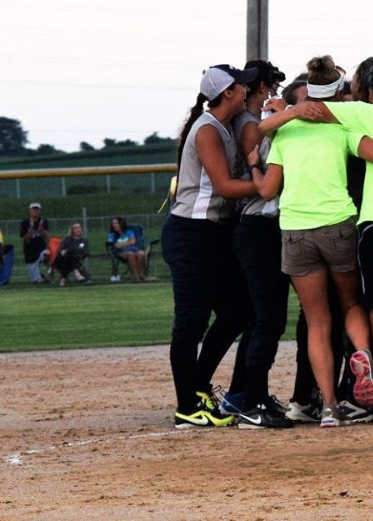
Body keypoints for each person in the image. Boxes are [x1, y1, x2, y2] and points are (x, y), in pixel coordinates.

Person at [255, 57, 373, 427]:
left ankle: (327, 406)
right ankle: (362, 353)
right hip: (339, 224)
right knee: (350, 303)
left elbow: (267, 185)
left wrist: (285, 118)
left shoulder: (285, 132)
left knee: (316, 322)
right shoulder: (343, 125)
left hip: (295, 227)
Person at [162, 63, 258, 429]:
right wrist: (268, 186)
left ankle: (198, 388)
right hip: (192, 233)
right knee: (190, 323)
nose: (246, 91)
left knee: (237, 310)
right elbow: (225, 186)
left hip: (211, 235)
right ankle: (188, 404)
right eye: (240, 86)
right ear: (228, 92)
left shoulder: (224, 125)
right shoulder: (207, 130)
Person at [218, 59, 293, 429]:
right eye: (271, 85)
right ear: (264, 87)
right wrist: (293, 112)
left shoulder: (257, 121)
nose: (273, 92)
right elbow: (255, 140)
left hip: (269, 228)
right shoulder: (251, 124)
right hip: (258, 226)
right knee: (267, 318)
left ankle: (245, 395)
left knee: (268, 319)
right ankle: (251, 400)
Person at [106, 217, 146, 282]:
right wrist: (127, 243)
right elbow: (114, 245)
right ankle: (136, 277)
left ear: (121, 224)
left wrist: (121, 244)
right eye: (113, 223)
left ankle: (140, 273)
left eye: (116, 223)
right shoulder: (112, 235)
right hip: (120, 252)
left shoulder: (129, 232)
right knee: (130, 254)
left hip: (133, 249)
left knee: (141, 253)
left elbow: (133, 241)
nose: (114, 225)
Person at [19, 202, 49, 283]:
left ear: (40, 211)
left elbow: (46, 236)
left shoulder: (43, 221)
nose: (35, 211)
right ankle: (41, 278)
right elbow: (25, 239)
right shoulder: (25, 222)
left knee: (48, 255)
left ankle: (51, 274)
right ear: (30, 211)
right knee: (36, 281)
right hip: (30, 250)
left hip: (41, 248)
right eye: (33, 209)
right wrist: (31, 228)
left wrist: (41, 228)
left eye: (37, 209)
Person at [53, 222, 90, 286]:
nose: (78, 229)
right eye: (75, 228)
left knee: (72, 257)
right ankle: (76, 272)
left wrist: (77, 254)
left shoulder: (84, 241)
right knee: (69, 252)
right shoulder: (67, 240)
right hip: (62, 261)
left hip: (76, 260)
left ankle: (63, 279)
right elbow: (61, 251)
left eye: (79, 227)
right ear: (72, 230)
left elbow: (86, 252)